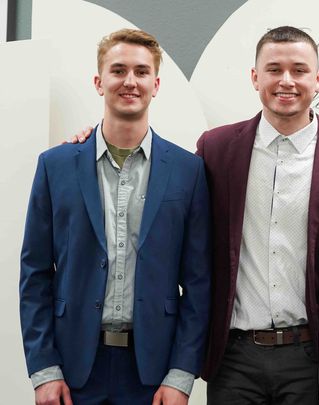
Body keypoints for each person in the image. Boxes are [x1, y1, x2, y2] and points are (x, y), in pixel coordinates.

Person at [20, 29, 211, 405]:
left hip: (154, 372)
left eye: (141, 72)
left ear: (156, 85)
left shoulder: (188, 171)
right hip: (72, 369)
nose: (130, 81)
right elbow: (35, 275)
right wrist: (44, 371)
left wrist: (181, 375)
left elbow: (199, 284)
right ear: (99, 82)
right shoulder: (55, 166)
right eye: (118, 70)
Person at [196, 26, 319, 404]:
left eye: (299, 70)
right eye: (274, 69)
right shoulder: (216, 149)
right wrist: (90, 141)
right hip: (234, 358)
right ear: (255, 77)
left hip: (314, 354)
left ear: (317, 79)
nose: (286, 80)